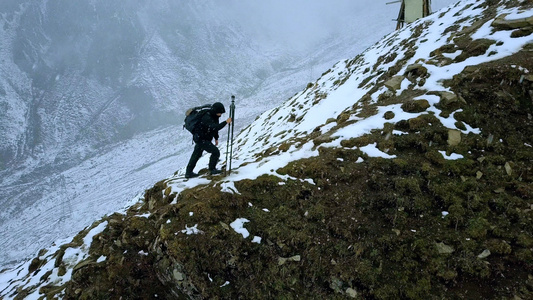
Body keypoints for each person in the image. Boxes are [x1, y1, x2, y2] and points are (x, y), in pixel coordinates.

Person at [185, 102, 232, 178]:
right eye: (219, 113)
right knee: (215, 152)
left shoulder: (214, 116)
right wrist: (226, 122)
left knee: (196, 155)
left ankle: (188, 172)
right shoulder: (207, 117)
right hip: (201, 139)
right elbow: (215, 127)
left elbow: (214, 129)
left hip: (201, 138)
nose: (220, 115)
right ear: (215, 111)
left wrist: (216, 138)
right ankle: (212, 169)